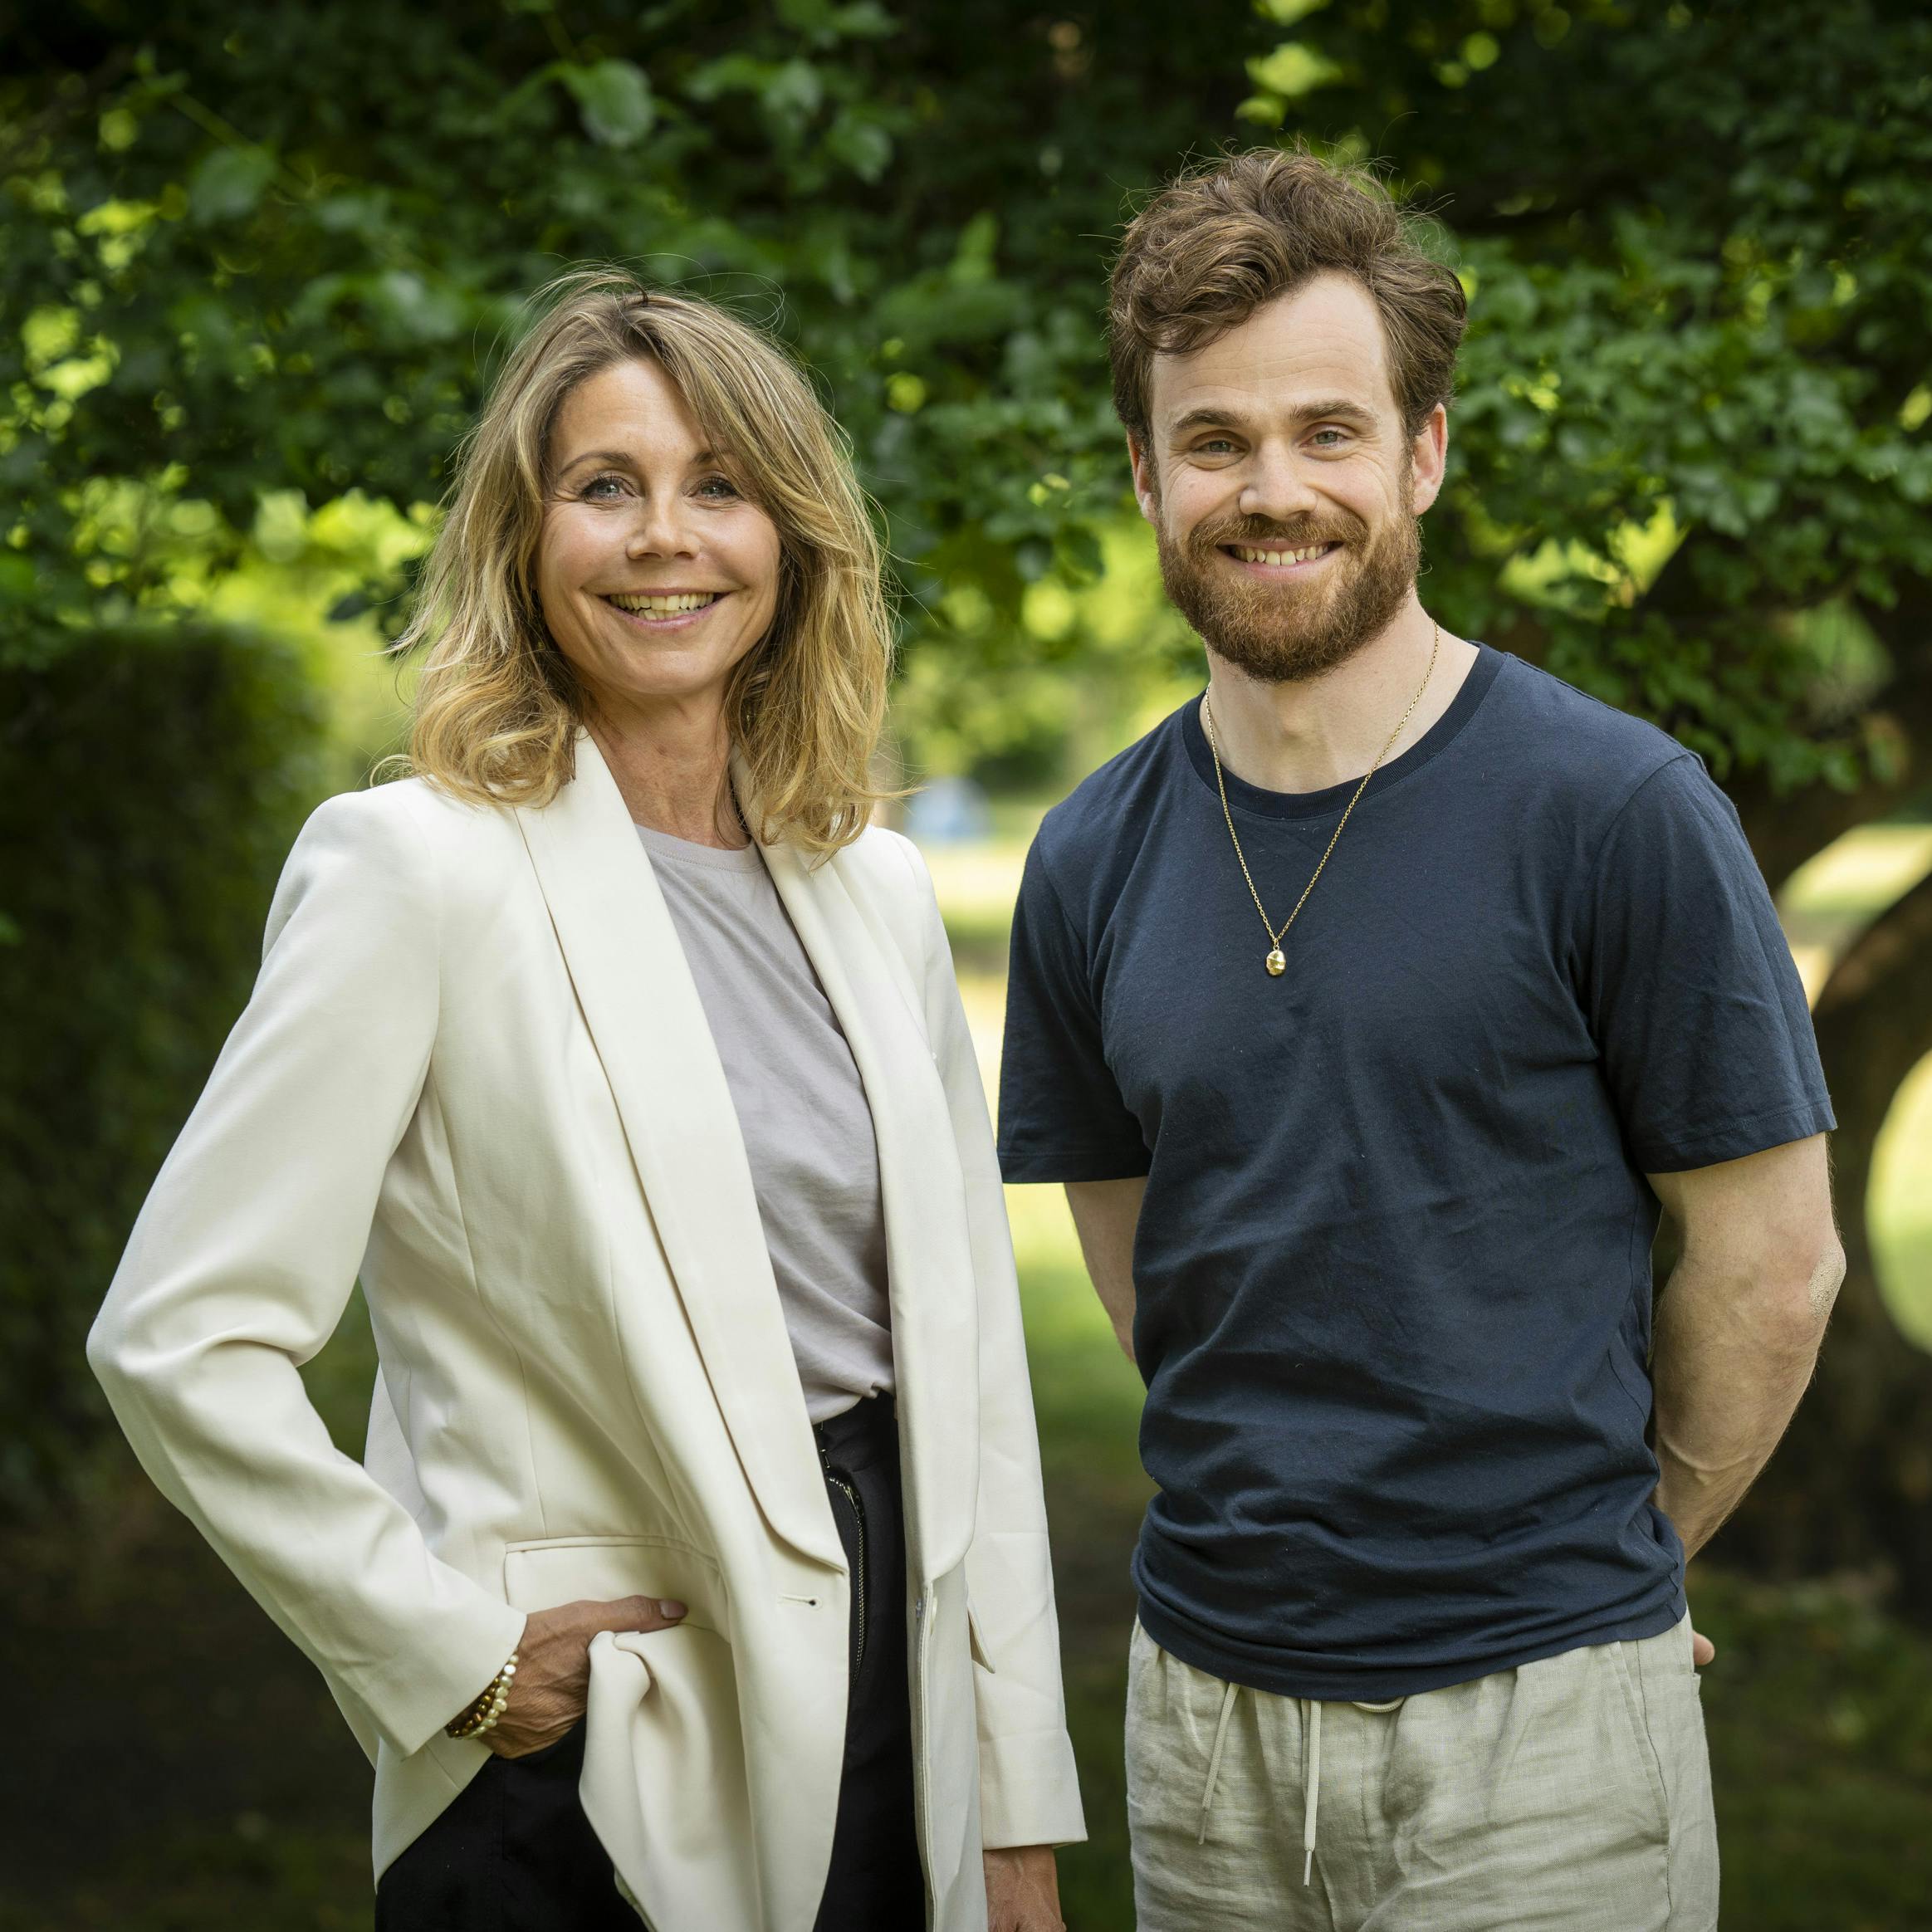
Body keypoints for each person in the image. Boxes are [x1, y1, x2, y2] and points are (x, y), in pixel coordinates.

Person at [88, 271, 1083, 1932]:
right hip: (597, 1756)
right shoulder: (413, 870)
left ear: (794, 538)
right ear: (523, 541)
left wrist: (1020, 1809)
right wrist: (443, 1652)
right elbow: (178, 1336)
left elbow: (973, 1381)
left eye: (719, 486)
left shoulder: (877, 893)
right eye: (605, 487)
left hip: (897, 1704)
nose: (663, 537)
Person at [997, 149, 1843, 1932]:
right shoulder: (1087, 857)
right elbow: (1157, 1276)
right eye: (1215, 442)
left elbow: (1772, 1263)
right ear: (1147, 477)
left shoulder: (1615, 809)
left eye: (1330, 430)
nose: (1273, 488)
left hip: (1544, 1742)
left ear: (1423, 452)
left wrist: (1606, 1577)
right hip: (1206, 1733)